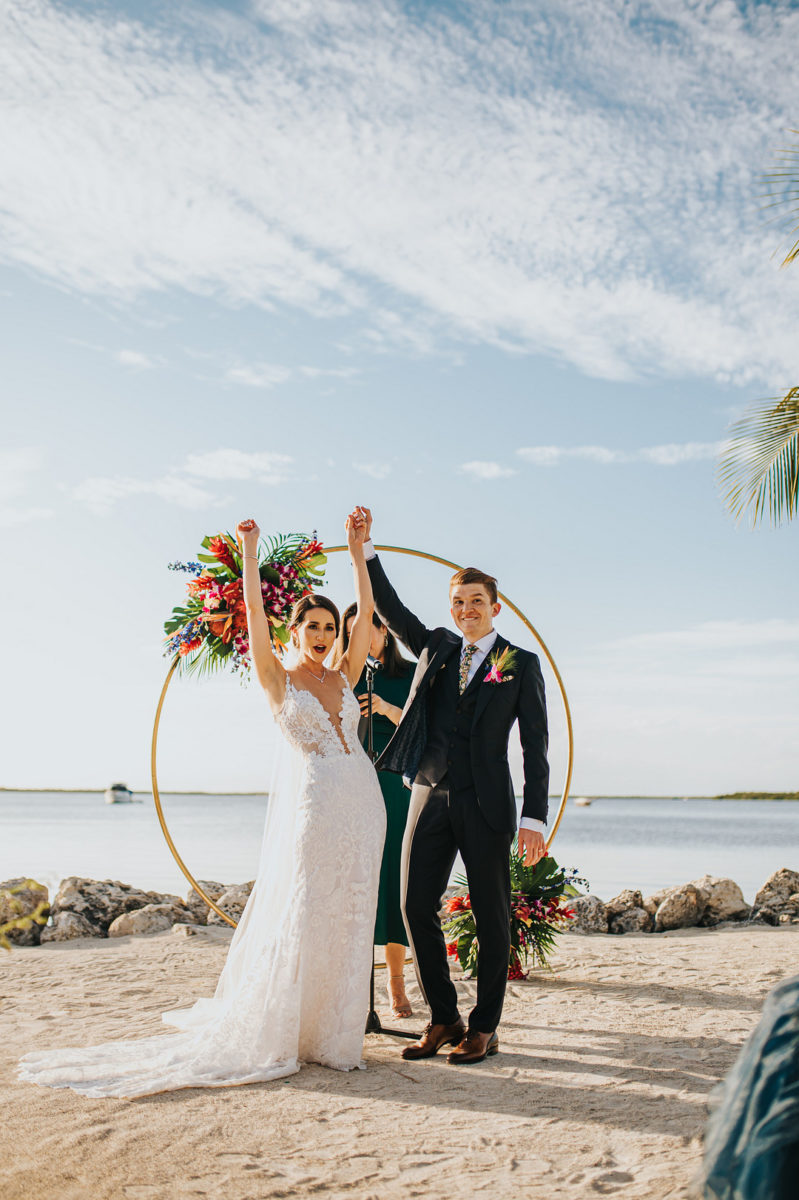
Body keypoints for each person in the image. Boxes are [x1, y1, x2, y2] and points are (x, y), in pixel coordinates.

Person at [18, 509, 385, 1098]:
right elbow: (256, 620)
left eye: (327, 627)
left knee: (350, 915)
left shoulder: (345, 674)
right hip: (318, 808)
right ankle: (287, 1029)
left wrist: (355, 549)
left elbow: (367, 616)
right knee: (308, 910)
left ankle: (333, 1039)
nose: (322, 635)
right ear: (295, 631)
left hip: (364, 805)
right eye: (311, 626)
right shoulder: (278, 678)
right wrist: (249, 551)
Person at [361, 507, 549, 1065]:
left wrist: (534, 819)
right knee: (415, 903)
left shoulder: (521, 663)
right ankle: (443, 1017)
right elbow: (392, 612)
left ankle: (483, 1027)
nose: (467, 610)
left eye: (477, 602)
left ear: (495, 607)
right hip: (431, 793)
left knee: (493, 917)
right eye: (459, 602)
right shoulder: (438, 647)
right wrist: (367, 553)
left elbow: (533, 748)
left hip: (489, 805)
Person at [339, 604, 414, 1018]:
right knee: (355, 882)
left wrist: (385, 708)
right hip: (353, 787)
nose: (361, 641)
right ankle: (354, 981)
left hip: (394, 786)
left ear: (385, 633)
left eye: (367, 632)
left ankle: (396, 981)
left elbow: (424, 729)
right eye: (350, 634)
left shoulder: (408, 675)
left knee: (393, 881)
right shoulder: (341, 677)